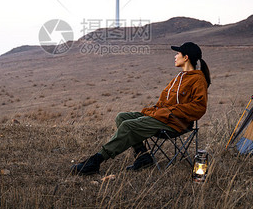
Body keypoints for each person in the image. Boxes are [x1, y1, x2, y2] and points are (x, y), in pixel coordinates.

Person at [71, 42, 211, 175]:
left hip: (175, 123)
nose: (175, 56)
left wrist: (169, 112)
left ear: (186, 57)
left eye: (178, 53)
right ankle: (143, 156)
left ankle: (96, 161)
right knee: (122, 117)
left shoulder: (198, 80)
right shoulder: (178, 78)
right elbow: (162, 102)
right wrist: (157, 111)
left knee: (128, 125)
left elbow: (199, 108)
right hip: (162, 117)